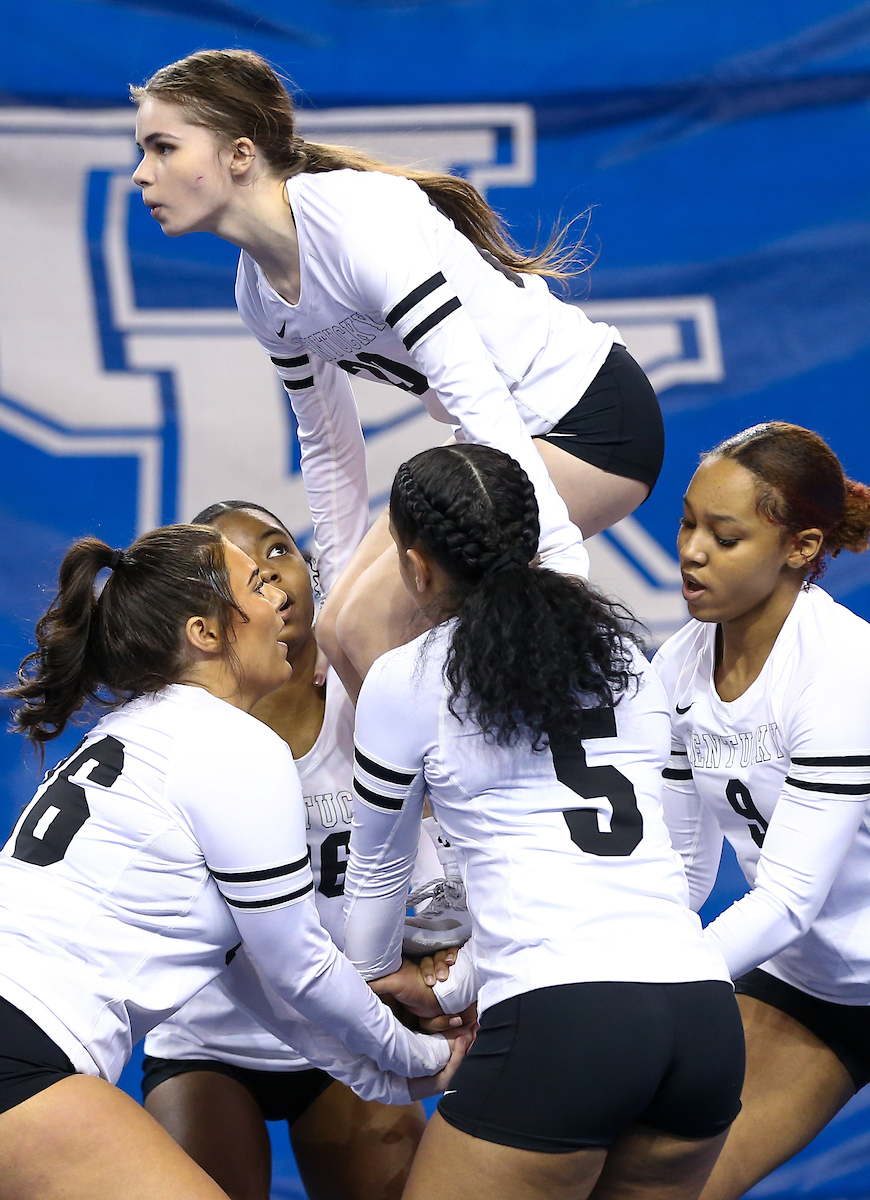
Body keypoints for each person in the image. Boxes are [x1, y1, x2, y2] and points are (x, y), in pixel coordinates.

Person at [130, 48, 665, 700]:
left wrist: (554, 559)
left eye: (162, 148)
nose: (141, 174)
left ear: (240, 154)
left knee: (372, 634)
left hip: (588, 417)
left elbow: (473, 385)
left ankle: (470, 798)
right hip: (499, 438)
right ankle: (416, 805)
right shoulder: (259, 293)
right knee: (342, 631)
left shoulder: (355, 222)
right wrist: (331, 584)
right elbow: (327, 443)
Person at [0, 523, 461, 1200]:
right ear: (205, 633)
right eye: (256, 585)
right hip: (22, 1048)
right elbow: (299, 968)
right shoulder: (230, 744)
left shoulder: (139, 729)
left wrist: (387, 1076)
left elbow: (260, 977)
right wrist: (421, 1054)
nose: (279, 600)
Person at [341, 443, 744, 1200]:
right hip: (702, 1017)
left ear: (418, 566)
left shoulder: (408, 678)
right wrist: (462, 983)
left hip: (564, 1030)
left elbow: (379, 868)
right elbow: (644, 872)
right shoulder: (627, 658)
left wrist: (374, 975)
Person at [652, 421, 870, 1200]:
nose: (691, 551)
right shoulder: (677, 663)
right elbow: (682, 874)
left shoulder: (845, 670)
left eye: (724, 537)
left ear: (800, 546)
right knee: (653, 1186)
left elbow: (787, 899)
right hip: (806, 987)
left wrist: (646, 988)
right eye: (688, 522)